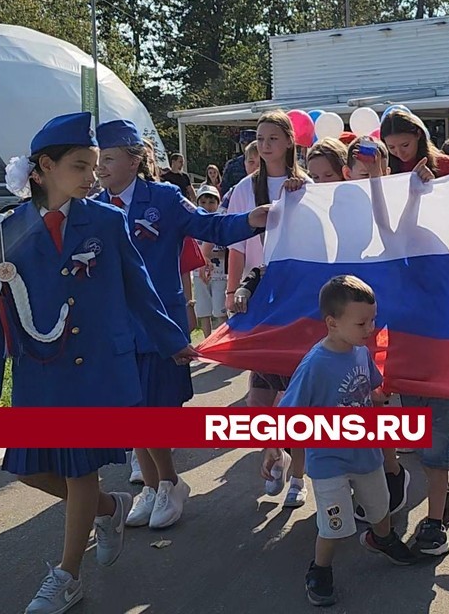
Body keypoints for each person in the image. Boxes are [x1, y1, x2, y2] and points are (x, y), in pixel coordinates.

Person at [0, 112, 197, 614]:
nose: (92, 178)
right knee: (27, 468)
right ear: (43, 168)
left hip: (96, 368)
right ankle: (109, 508)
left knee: (79, 470)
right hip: (39, 371)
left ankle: (66, 575)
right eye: (80, 166)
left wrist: (170, 340)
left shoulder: (107, 221)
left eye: (95, 166)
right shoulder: (3, 234)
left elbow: (140, 289)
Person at [94, 119, 270, 530]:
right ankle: (153, 487)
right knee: (129, 408)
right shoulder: (94, 206)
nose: (100, 167)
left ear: (135, 161)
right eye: (97, 159)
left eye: (108, 159)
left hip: (158, 324)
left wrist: (252, 219)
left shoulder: (166, 199)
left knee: (152, 409)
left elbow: (211, 227)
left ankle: (169, 481)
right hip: (115, 325)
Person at [267, 275, 418, 606]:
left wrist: (382, 393)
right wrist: (273, 447)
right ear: (332, 323)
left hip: (366, 456)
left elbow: (373, 390)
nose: (370, 328)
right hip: (328, 462)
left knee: (381, 509)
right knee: (334, 526)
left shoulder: (361, 351)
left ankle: (383, 539)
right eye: (362, 322)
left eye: (373, 319)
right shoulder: (314, 365)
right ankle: (320, 569)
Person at [226, 110, 312, 507]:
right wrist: (232, 293)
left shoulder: (306, 186)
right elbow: (237, 246)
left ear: (289, 142)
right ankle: (270, 453)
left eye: (272, 138)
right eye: (259, 138)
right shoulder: (245, 188)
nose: (264, 145)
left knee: (297, 390)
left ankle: (299, 473)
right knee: (259, 394)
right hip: (258, 298)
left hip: (296, 299)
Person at [192, 185, 228, 338]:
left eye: (211, 202)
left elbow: (228, 249)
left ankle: (221, 342)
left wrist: (214, 253)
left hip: (219, 273)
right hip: (199, 273)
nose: (207, 206)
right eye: (204, 202)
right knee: (203, 309)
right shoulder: (194, 223)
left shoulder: (221, 222)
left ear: (218, 203)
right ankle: (207, 342)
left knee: (220, 308)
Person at [380, 110, 449, 178]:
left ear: (418, 134)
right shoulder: (381, 169)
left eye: (405, 145)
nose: (399, 153)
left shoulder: (444, 164)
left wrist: (433, 186)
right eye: (391, 147)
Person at [221, 129, 257, 194]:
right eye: (243, 143)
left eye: (249, 142)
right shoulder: (232, 165)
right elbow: (225, 189)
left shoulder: (268, 162)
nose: (246, 146)